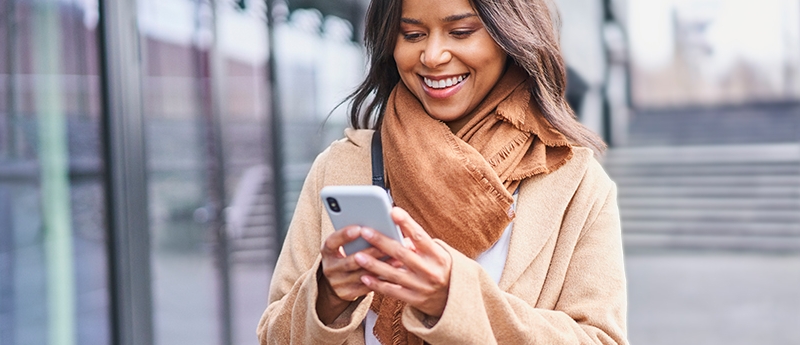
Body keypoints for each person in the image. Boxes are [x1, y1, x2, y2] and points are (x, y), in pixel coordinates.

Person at [256, 0, 627, 343]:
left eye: (461, 32)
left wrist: (453, 296)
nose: (432, 56)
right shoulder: (339, 167)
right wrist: (325, 295)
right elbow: (273, 335)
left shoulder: (575, 181)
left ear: (509, 36)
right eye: (413, 35)